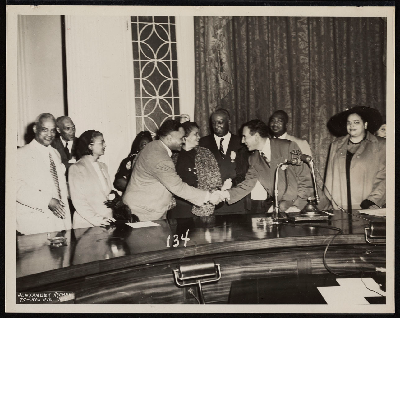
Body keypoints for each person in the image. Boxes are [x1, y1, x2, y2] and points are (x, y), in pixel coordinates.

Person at [122, 119, 221, 222]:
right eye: (181, 138)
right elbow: (178, 187)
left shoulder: (153, 145)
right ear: (169, 138)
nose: (183, 141)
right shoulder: (161, 159)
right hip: (143, 213)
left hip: (141, 209)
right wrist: (208, 196)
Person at [215, 119, 314, 212]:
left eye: (245, 136)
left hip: (309, 206)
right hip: (286, 207)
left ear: (257, 137)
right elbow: (247, 184)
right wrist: (225, 194)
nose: (242, 141)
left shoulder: (288, 147)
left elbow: (306, 180)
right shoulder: (253, 159)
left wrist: (297, 206)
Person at [16, 113, 72, 235]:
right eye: (45, 130)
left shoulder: (55, 153)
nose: (49, 134)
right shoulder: (20, 154)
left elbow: (60, 188)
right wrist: (47, 201)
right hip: (34, 225)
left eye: (53, 131)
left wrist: (67, 223)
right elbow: (16, 188)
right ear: (35, 129)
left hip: (59, 223)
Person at [325, 106, 385, 211]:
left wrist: (372, 201)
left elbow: (386, 177)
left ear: (365, 125)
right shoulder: (335, 145)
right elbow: (329, 178)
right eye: (349, 122)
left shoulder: (381, 145)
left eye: (356, 122)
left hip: (367, 207)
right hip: (340, 208)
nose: (351, 125)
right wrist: (327, 204)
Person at [169, 121, 225, 218]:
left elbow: (216, 181)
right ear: (185, 137)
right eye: (195, 134)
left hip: (201, 207)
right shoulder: (173, 155)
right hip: (177, 208)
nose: (199, 137)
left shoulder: (205, 154)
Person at [199, 108, 247, 214]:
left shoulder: (241, 142)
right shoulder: (202, 143)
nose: (216, 126)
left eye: (220, 122)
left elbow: (246, 172)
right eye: (213, 123)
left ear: (229, 122)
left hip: (235, 202)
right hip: (212, 204)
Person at [69, 130, 115, 228]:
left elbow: (106, 195)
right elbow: (79, 202)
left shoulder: (103, 167)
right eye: (102, 142)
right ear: (90, 146)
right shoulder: (77, 168)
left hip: (106, 221)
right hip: (87, 223)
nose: (105, 145)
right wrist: (98, 219)